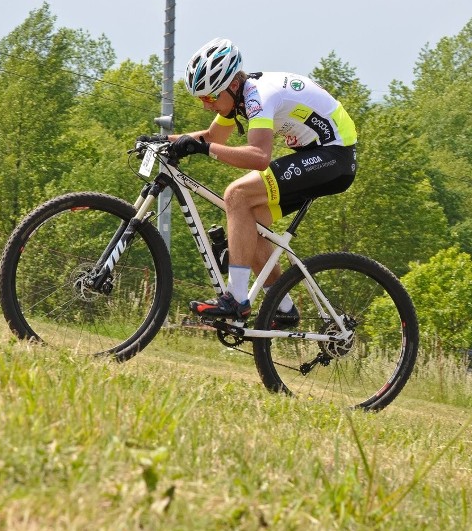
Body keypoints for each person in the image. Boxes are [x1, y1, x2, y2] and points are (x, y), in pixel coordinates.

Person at [153, 37, 358, 324]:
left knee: (236, 195)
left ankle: (235, 300)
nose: (206, 106)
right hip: (320, 155)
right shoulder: (239, 97)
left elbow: (259, 156)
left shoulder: (258, 96)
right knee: (250, 225)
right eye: (201, 99)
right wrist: (164, 141)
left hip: (334, 155)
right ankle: (283, 309)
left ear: (232, 85)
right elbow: (213, 138)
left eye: (210, 97)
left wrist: (202, 149)